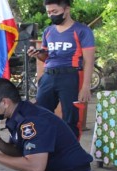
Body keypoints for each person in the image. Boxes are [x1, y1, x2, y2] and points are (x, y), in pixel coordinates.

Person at [27, 0, 95, 139]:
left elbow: (89, 61)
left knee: (71, 118)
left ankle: (72, 154)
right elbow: (46, 57)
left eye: (55, 12)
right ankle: (43, 150)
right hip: (48, 76)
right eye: (49, 12)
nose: (51, 15)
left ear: (67, 10)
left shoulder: (82, 30)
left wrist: (86, 86)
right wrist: (37, 54)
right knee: (41, 113)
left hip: (71, 76)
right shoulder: (48, 31)